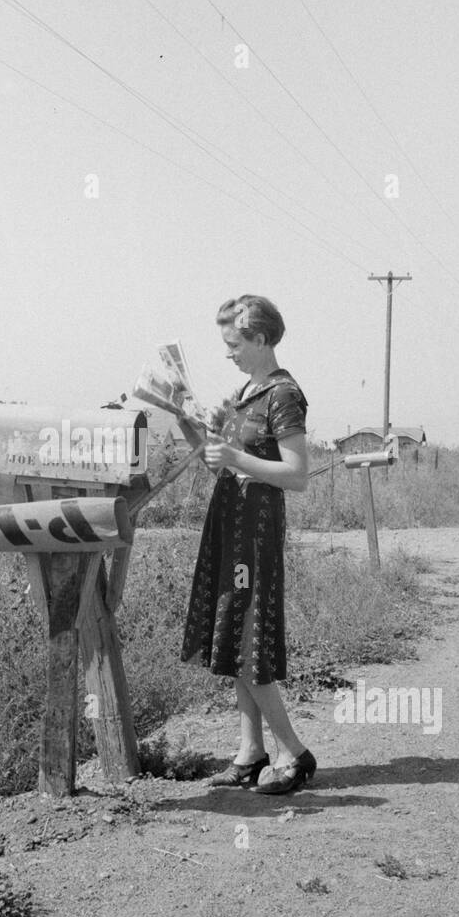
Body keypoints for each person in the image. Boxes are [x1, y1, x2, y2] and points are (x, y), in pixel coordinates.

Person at [180, 295, 317, 795]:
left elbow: (297, 475)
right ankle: (250, 752)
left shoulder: (283, 395)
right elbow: (224, 465)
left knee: (249, 641)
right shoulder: (246, 391)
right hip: (230, 525)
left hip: (255, 533)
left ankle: (295, 754)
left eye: (234, 344)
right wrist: (193, 430)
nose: (229, 354)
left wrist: (236, 454)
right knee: (237, 633)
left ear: (261, 339)